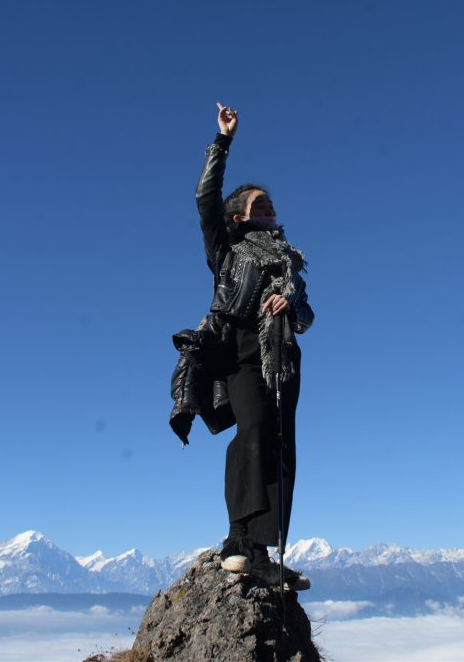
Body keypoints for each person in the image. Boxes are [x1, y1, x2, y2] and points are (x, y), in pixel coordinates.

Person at [189, 102, 315, 590]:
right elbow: (205, 198)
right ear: (239, 217)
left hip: (283, 359)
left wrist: (291, 303)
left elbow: (307, 319)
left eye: (271, 205)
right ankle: (238, 539)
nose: (268, 211)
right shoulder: (227, 249)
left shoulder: (289, 264)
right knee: (254, 432)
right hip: (240, 352)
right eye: (257, 205)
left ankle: (263, 550)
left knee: (282, 447)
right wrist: (223, 141)